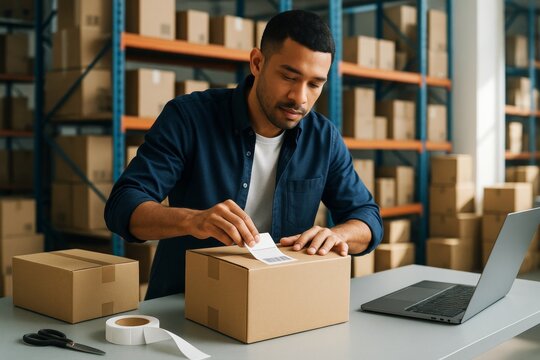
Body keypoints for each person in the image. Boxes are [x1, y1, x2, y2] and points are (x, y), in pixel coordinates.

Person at [105, 10, 383, 300]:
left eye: (314, 84)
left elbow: (367, 217)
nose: (300, 97)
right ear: (257, 63)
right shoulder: (189, 118)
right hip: (187, 304)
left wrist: (340, 235)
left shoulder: (323, 138)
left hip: (278, 303)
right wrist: (193, 220)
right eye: (289, 76)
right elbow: (122, 206)